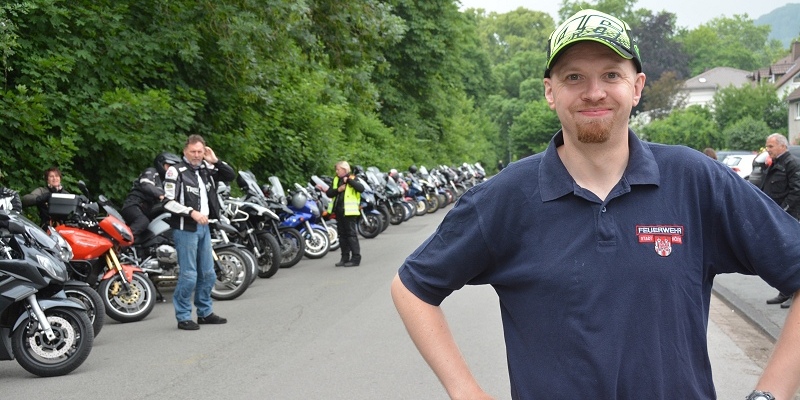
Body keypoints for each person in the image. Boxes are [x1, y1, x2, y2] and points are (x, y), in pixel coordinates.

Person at [390, 9, 800, 400]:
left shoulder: (694, 180)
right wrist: (466, 391)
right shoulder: (508, 196)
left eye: (610, 74)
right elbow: (412, 288)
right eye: (574, 77)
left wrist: (770, 392)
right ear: (550, 92)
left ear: (636, 87)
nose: (594, 92)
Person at [163, 134, 236, 330]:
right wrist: (191, 212)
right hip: (185, 227)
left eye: (200, 152)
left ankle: (204, 313)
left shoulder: (207, 169)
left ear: (205, 152)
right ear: (185, 151)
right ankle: (183, 316)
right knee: (189, 275)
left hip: (205, 227)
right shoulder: (175, 172)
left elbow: (230, 176)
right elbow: (167, 201)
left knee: (209, 274)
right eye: (193, 151)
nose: (196, 155)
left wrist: (215, 160)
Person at [759, 133, 800, 309]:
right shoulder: (775, 163)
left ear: (782, 146)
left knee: (792, 255)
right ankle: (785, 292)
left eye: (770, 146)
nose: (768, 150)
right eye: (767, 146)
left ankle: (794, 294)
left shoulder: (791, 163)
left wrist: (783, 210)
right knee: (782, 255)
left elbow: (796, 190)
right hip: (777, 216)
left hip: (789, 217)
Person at [120, 152, 182, 240]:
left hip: (146, 211)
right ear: (161, 164)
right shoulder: (152, 172)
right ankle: (122, 243)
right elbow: (146, 185)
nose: (171, 170)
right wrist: (161, 195)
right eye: (169, 166)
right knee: (142, 222)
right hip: (133, 205)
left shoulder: (167, 182)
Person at [323, 161, 364, 267]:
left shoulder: (353, 178)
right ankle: (344, 258)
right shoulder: (336, 179)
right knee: (342, 236)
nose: (336, 171)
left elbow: (361, 188)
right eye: (336, 170)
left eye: (338, 169)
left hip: (350, 212)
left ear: (345, 169)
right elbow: (329, 193)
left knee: (351, 235)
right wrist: (338, 189)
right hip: (339, 211)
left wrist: (349, 181)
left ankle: (356, 258)